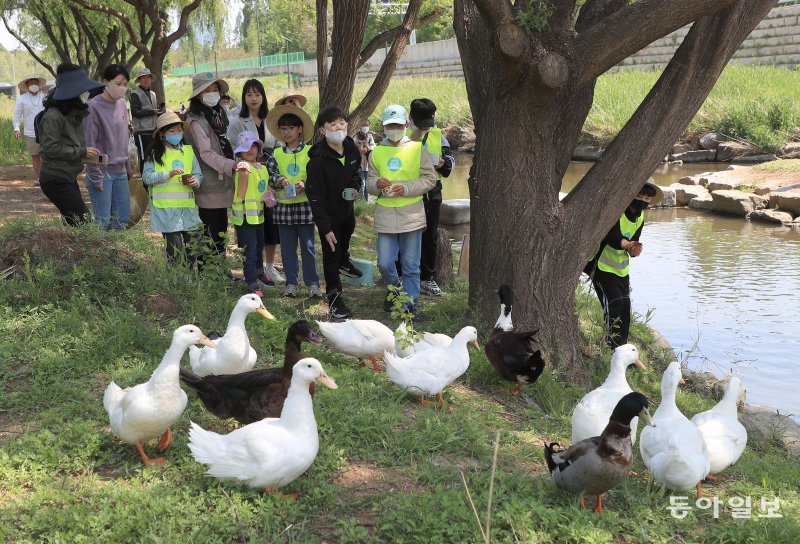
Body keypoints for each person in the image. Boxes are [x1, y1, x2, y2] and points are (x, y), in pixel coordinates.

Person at [366, 104, 436, 314]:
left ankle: (410, 305)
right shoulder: (376, 152)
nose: (394, 128)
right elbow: (368, 181)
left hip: (411, 214)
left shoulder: (417, 149)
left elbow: (429, 179)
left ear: (406, 124)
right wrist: (376, 183)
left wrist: (406, 188)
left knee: (411, 265)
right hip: (386, 215)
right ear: (384, 126)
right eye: (390, 125)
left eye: (398, 124)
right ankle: (396, 292)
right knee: (385, 263)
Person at [584, 179, 663, 348]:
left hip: (621, 269)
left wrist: (633, 250)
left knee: (625, 308)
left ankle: (622, 348)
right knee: (613, 305)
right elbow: (611, 235)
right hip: (601, 266)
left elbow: (634, 241)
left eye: (647, 199)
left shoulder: (640, 216)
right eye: (639, 195)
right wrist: (625, 244)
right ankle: (610, 347)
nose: (643, 200)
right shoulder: (616, 210)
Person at [305, 106, 363, 318]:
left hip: (347, 212)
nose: (338, 128)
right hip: (328, 217)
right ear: (322, 130)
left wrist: (356, 188)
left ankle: (344, 261)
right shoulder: (317, 161)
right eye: (332, 124)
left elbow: (357, 175)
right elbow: (315, 198)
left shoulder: (351, 149)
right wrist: (325, 227)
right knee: (331, 257)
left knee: (343, 245)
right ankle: (336, 303)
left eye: (342, 123)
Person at [227, 79, 283, 285]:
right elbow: (233, 147)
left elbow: (278, 145)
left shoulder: (270, 119)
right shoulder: (236, 121)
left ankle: (267, 267)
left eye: (257, 94)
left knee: (269, 226)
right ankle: (254, 272)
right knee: (252, 233)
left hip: (268, 172)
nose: (253, 98)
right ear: (244, 97)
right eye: (249, 94)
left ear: (263, 97)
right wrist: (245, 163)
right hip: (248, 173)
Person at [265, 105, 321, 299]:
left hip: (305, 207)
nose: (286, 132)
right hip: (283, 209)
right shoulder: (276, 154)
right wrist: (280, 181)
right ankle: (291, 283)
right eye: (283, 129)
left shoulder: (311, 152)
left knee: (308, 247)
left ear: (300, 129)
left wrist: (305, 184)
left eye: (290, 128)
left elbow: (317, 176)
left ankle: (313, 284)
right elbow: (270, 176)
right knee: (288, 249)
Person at [38, 63, 103, 226]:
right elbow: (50, 148)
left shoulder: (75, 115)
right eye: (83, 91)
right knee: (84, 222)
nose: (87, 94)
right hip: (54, 179)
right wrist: (81, 152)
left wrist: (88, 156)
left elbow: (69, 146)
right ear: (72, 93)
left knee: (73, 225)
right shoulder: (53, 116)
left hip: (67, 177)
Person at [183, 73, 236, 264]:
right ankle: (208, 273)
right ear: (198, 95)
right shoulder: (196, 120)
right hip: (208, 183)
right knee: (210, 231)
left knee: (221, 228)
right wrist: (231, 165)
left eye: (215, 89)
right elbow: (206, 153)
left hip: (222, 181)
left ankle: (220, 269)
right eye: (208, 90)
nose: (213, 93)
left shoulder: (218, 115)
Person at [407, 98, 455, 297]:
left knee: (430, 236)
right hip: (409, 194)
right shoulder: (404, 137)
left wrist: (442, 163)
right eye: (422, 122)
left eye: (430, 121)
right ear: (411, 120)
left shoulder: (439, 136)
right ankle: (405, 276)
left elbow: (450, 166)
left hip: (432, 195)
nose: (427, 126)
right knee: (407, 235)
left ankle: (428, 278)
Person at [142, 111, 203, 265]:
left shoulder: (188, 151)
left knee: (192, 247)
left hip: (187, 209)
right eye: (172, 131)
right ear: (162, 134)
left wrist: (195, 181)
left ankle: (189, 277)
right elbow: (147, 177)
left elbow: (198, 173)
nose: (177, 134)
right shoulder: (155, 154)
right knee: (174, 248)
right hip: (166, 210)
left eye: (179, 130)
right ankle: (175, 280)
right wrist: (167, 174)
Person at [84, 64, 132, 230]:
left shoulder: (122, 104)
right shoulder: (93, 106)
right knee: (102, 221)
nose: (122, 88)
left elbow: (123, 138)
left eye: (125, 84)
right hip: (101, 171)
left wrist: (127, 167)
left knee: (122, 219)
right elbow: (89, 144)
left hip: (120, 172)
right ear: (106, 82)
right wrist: (95, 175)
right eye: (118, 84)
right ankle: (98, 256)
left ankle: (116, 255)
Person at [230, 132, 274, 297]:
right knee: (250, 251)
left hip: (259, 216)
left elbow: (265, 188)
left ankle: (259, 273)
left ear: (259, 148)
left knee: (259, 246)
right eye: (245, 147)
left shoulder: (262, 168)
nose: (250, 149)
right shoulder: (242, 167)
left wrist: (270, 198)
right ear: (239, 152)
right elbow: (240, 193)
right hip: (244, 217)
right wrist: (243, 176)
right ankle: (251, 281)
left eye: (253, 145)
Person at [13, 75, 46, 186]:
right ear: (27, 86)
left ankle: (48, 178)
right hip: (30, 133)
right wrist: (16, 128)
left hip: (46, 132)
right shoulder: (22, 99)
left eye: (36, 83)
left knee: (47, 156)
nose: (34, 85)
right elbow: (17, 115)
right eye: (31, 83)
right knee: (35, 156)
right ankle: (41, 179)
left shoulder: (44, 97)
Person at [130, 68, 163, 175]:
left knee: (154, 155)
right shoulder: (135, 94)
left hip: (153, 130)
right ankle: (146, 182)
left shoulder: (153, 94)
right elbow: (135, 113)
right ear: (139, 80)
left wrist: (158, 111)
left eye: (148, 77)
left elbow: (151, 109)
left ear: (151, 79)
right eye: (143, 77)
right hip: (141, 132)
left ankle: (153, 179)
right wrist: (152, 111)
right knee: (144, 157)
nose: (146, 80)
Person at [354, 118, 375, 201]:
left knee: (367, 183)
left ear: (369, 126)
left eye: (366, 125)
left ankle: (366, 200)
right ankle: (362, 201)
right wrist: (360, 145)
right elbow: (355, 147)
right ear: (360, 126)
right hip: (359, 164)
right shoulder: (356, 136)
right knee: (362, 183)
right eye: (363, 125)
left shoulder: (370, 136)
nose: (365, 127)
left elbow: (373, 147)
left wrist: (367, 147)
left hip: (367, 164)